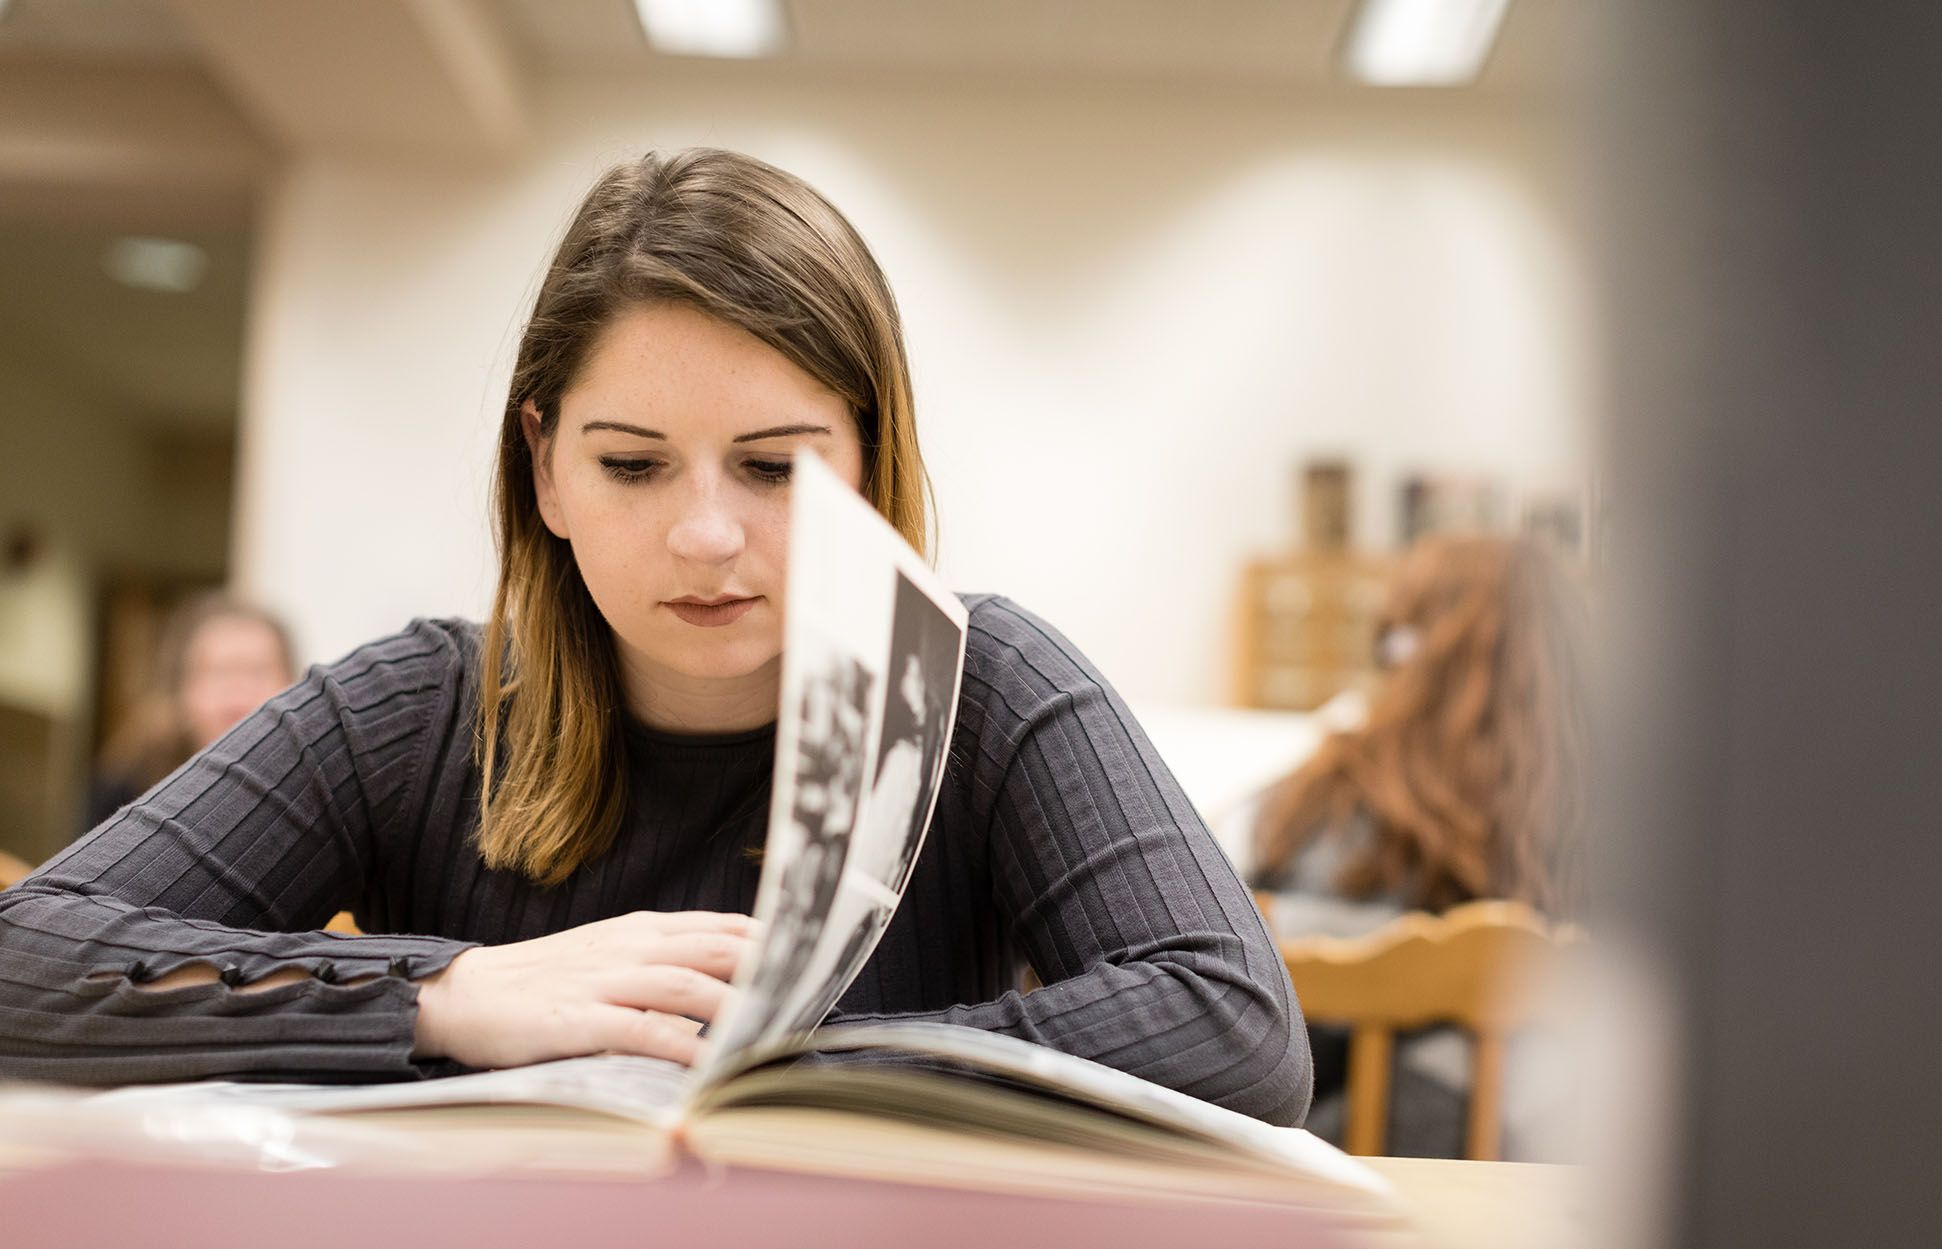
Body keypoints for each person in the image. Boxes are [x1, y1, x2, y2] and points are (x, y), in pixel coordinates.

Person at [0, 148, 1309, 1126]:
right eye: (633, 465)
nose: (705, 534)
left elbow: (1237, 1027)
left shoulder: (988, 685)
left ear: (868, 465)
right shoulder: (413, 711)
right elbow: (23, 957)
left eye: (775, 468)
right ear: (548, 471)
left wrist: (777, 1064)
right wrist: (446, 999)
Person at [1249, 533, 1587, 1154]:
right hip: (1552, 1160)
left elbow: (1249, 965)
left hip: (1348, 1163)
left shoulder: (1342, 793)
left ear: (1408, 651)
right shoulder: (1613, 805)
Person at [84, 594, 298, 830]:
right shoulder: (127, 785)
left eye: (257, 671)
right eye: (220, 671)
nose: (239, 693)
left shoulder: (315, 787)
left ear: (291, 685)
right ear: (181, 690)